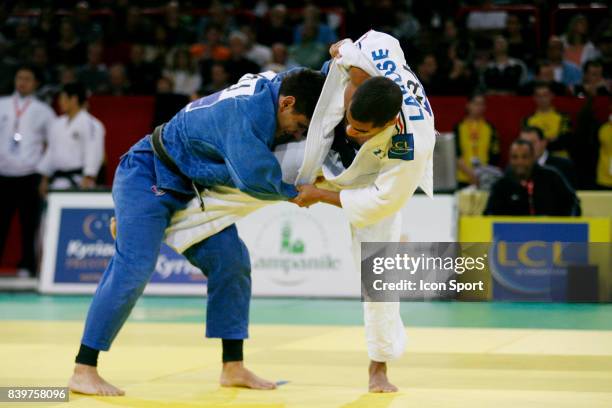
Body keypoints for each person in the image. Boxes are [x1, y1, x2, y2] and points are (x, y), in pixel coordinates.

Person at [164, 30, 436, 393]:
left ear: (387, 125)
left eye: (361, 130)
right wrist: (340, 49)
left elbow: (380, 203)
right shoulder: (368, 58)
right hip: (324, 142)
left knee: (380, 267)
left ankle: (379, 367)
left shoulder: (412, 145)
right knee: (252, 181)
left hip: (373, 175)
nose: (353, 130)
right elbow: (369, 40)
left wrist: (321, 196)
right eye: (352, 121)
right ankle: (162, 216)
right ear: (358, 79)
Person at [67, 69, 326, 396]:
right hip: (149, 176)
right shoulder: (244, 116)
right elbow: (255, 179)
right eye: (300, 125)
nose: (297, 134)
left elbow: (313, 79)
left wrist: (341, 60)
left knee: (232, 261)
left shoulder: (277, 85)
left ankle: (233, 366)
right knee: (135, 266)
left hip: (191, 189)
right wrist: (298, 194)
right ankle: (83, 368)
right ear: (287, 103)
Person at [0, 65, 56, 277]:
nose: (22, 82)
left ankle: (28, 265)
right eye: (19, 77)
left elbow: (53, 143)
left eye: (27, 79)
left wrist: (43, 172)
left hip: (29, 173)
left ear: (36, 83)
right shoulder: (2, 104)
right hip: (2, 173)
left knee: (29, 224)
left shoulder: (44, 111)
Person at [38, 82, 105, 192]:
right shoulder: (57, 123)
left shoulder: (91, 124)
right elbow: (51, 152)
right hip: (57, 181)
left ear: (74, 99)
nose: (60, 102)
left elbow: (94, 152)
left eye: (63, 98)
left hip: (80, 181)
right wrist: (44, 177)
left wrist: (89, 176)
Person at [484, 139, 579, 216]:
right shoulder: (501, 185)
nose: (519, 162)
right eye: (515, 157)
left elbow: (572, 204)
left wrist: (565, 226)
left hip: (552, 236)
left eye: (524, 157)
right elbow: (489, 214)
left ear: (533, 157)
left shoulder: (552, 177)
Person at [453, 92, 500, 187]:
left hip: (485, 178)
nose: (479, 107)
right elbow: (455, 154)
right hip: (463, 178)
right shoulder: (459, 127)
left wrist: (482, 174)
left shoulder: (490, 128)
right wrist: (471, 174)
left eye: (482, 104)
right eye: (476, 104)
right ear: (468, 105)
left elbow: (495, 155)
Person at [523, 82, 572, 157]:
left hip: (559, 160)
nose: (542, 99)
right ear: (534, 97)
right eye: (539, 96)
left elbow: (564, 142)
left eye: (545, 95)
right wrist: (551, 139)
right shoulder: (528, 120)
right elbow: (526, 143)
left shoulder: (563, 117)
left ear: (552, 96)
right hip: (536, 160)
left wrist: (538, 142)